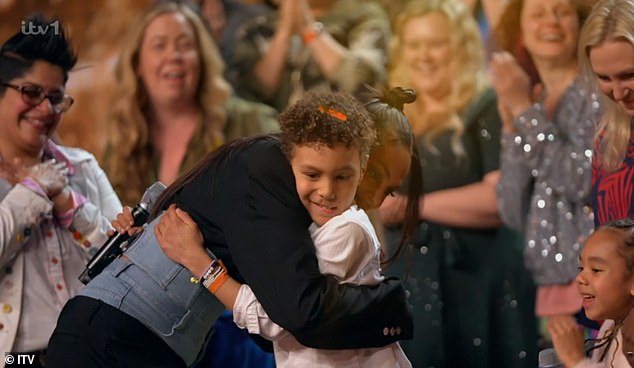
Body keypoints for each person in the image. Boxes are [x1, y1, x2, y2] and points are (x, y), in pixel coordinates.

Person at [46, 88, 421, 368]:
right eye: (378, 180)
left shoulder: (298, 192)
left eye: (389, 190)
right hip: (114, 335)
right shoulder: (270, 174)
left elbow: (276, 320)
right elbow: (300, 312)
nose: (377, 200)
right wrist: (391, 307)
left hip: (148, 342)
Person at [155, 87, 416, 367]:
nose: (327, 190)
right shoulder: (284, 197)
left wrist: (203, 267)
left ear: (359, 164)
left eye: (389, 191)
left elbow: (284, 320)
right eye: (312, 173)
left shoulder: (347, 229)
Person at [379, 0, 537, 366]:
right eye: (415, 45)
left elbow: (501, 199)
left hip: (481, 279)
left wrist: (410, 207)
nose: (425, 56)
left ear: (460, 46)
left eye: (435, 43)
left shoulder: (485, 105)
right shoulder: (391, 115)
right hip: (410, 278)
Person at [0, 14, 122, 366]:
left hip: (94, 353)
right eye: (31, 92)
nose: (45, 109)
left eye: (56, 98)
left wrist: (70, 203)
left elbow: (127, 263)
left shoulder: (82, 167)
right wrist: (35, 190)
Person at [491, 0, 597, 348]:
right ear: (519, 30)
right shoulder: (532, 99)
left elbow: (582, 181)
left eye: (562, 11)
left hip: (596, 284)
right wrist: (514, 125)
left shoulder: (594, 95)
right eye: (538, 13)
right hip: (549, 291)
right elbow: (511, 209)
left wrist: (524, 113)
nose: (550, 21)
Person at [102, 1, 279, 206]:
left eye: (185, 45)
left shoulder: (251, 123)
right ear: (137, 64)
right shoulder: (123, 141)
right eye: (159, 45)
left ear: (202, 60)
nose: (174, 56)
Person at [576, 0, 634, 364]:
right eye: (604, 77)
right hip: (617, 328)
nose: (617, 91)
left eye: (629, 74)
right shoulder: (607, 139)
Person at [230, 0, 391, 112]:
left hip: (341, 138)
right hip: (271, 139)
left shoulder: (364, 17)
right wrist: (285, 31)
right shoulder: (258, 24)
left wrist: (308, 29)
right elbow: (252, 91)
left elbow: (361, 83)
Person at [547, 218, 634, 368]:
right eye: (581, 268)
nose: (580, 278)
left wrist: (575, 359)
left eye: (596, 270)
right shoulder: (610, 326)